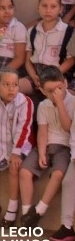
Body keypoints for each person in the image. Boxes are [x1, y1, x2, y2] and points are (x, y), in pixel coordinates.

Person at [19, 66, 73, 228]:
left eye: (59, 88)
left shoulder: (72, 102)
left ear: (65, 83)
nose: (55, 93)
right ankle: (27, 214)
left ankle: (39, 210)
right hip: (47, 145)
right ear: (42, 90)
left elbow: (67, 127)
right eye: (49, 91)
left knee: (58, 174)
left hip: (64, 148)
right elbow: (42, 132)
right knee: (24, 171)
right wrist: (42, 152)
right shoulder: (43, 105)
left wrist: (60, 103)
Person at [0, 68, 34, 227]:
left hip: (20, 146)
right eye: (6, 85)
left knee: (14, 166)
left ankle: (12, 207)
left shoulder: (25, 102)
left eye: (15, 85)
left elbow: (24, 129)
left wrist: (16, 153)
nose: (11, 89)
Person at [21, 0, 74, 95]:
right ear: (38, 8)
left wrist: (50, 76)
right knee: (16, 86)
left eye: (53, 6)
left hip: (58, 73)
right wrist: (33, 76)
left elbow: (71, 60)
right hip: (36, 74)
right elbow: (28, 61)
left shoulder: (68, 32)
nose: (48, 10)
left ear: (60, 9)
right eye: (44, 6)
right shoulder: (32, 31)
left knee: (61, 96)